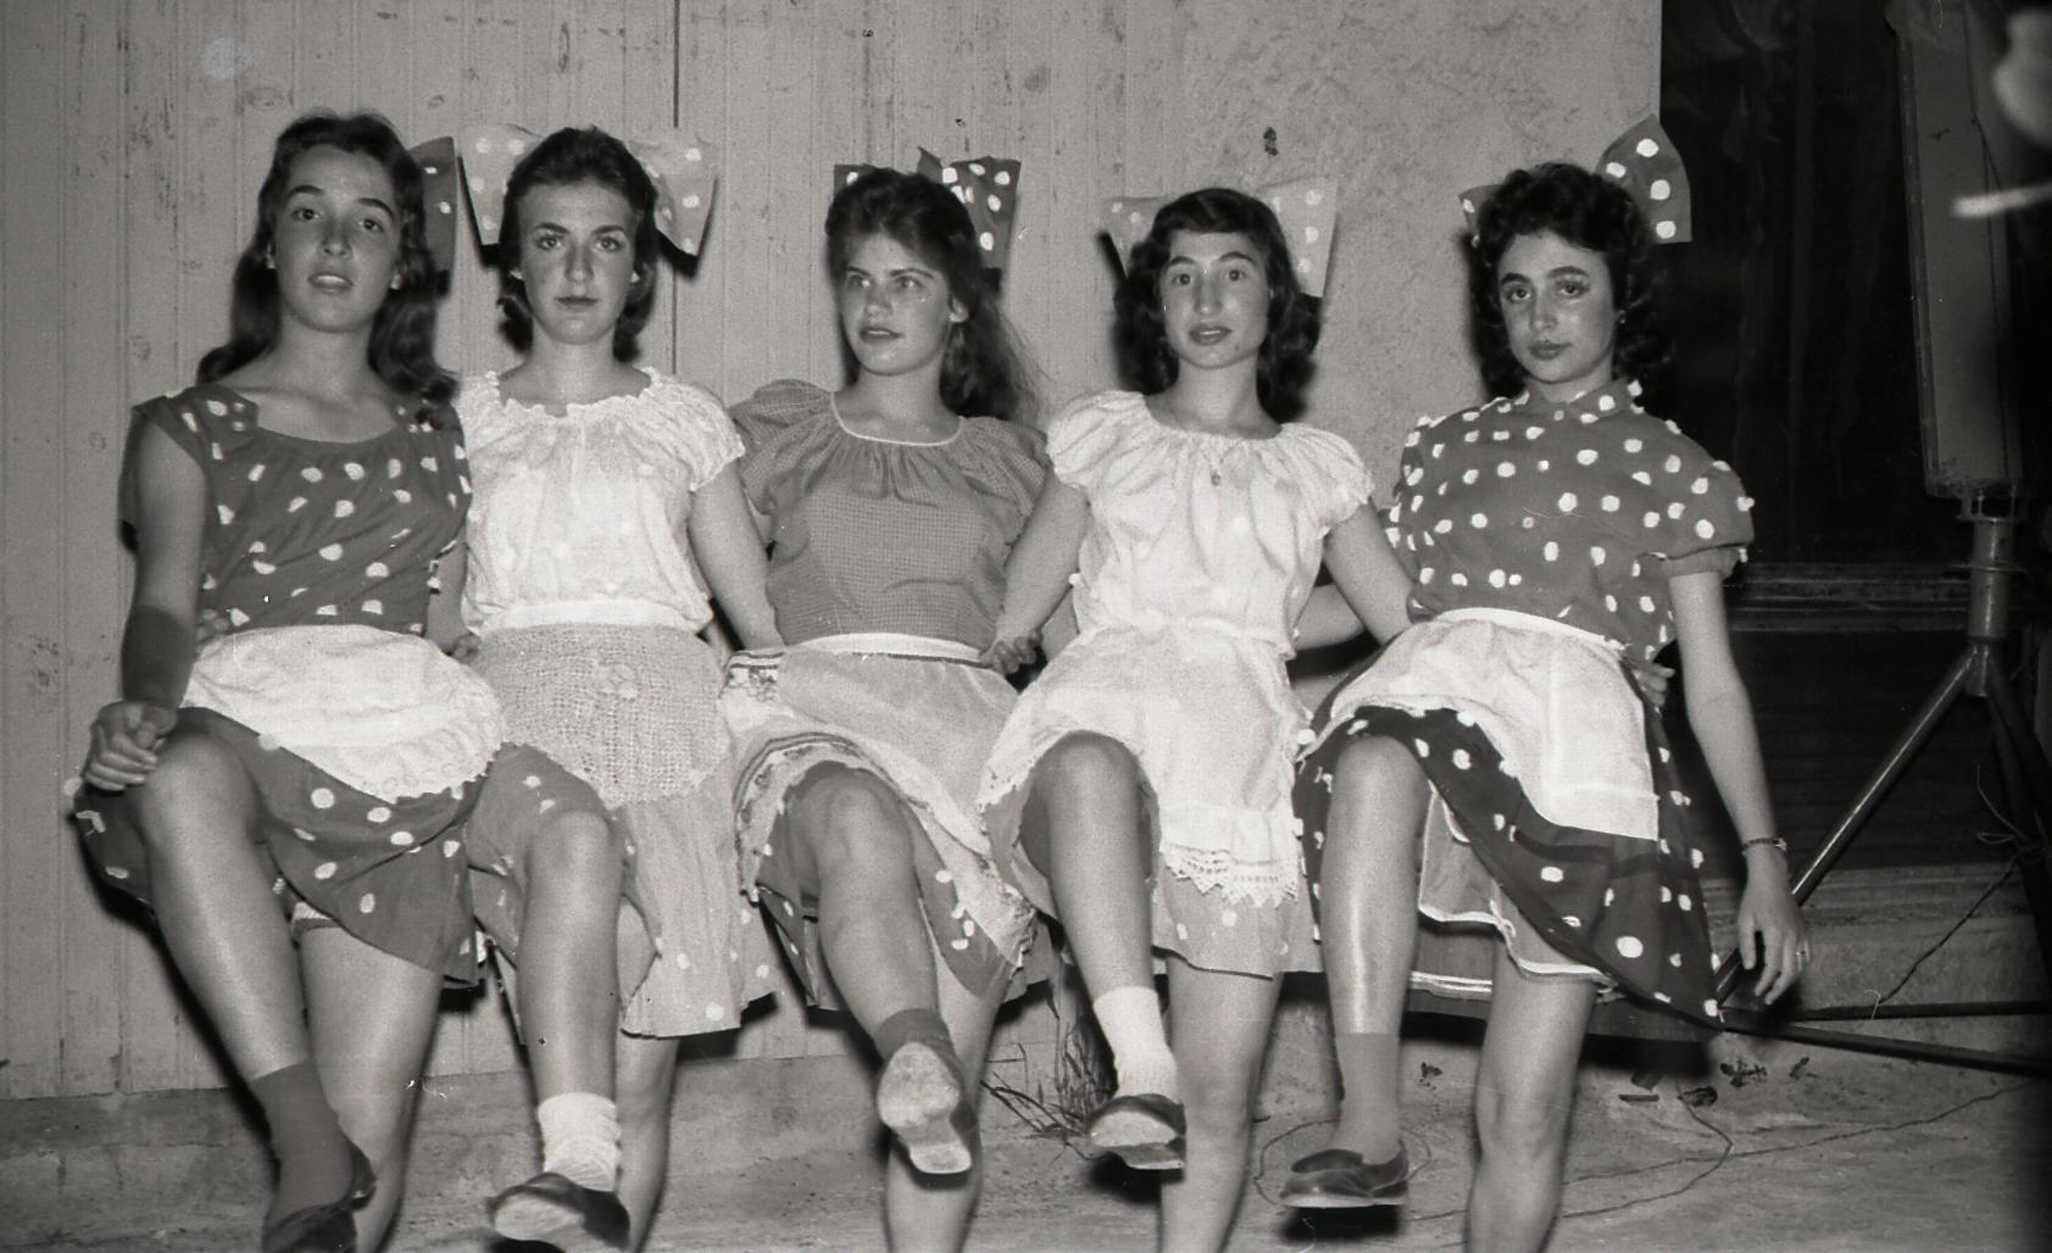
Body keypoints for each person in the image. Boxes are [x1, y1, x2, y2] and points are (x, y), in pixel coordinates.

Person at [68, 111, 609, 1253]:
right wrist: (146, 702)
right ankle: (298, 1123)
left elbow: (452, 617)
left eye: (368, 223)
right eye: (308, 213)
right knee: (175, 775)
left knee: (360, 1164)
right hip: (249, 729)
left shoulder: (437, 431)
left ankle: (327, 1158)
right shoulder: (190, 428)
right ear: (269, 241)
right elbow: (162, 603)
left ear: (402, 260)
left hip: (390, 756)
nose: (333, 243)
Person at [1282, 128, 1808, 1252]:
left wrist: (1764, 859)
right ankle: (1368, 1117)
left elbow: (1712, 684)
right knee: (1371, 755)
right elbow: (1377, 603)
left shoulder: (1672, 469)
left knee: (1519, 1110)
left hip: (1579, 753)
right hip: (1446, 692)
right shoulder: (1445, 448)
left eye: (1571, 285)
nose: (1541, 315)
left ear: (1624, 297)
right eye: (1517, 290)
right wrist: (1203, 626)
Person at [974, 185, 1412, 1251]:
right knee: (1088, 762)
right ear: (1154, 304)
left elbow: (1398, 617)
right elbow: (1022, 607)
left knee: (1222, 1093)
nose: (1207, 299)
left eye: (1234, 273)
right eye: (1182, 275)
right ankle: (1139, 1063)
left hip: (1238, 771)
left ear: (1277, 300)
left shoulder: (1319, 465)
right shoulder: (1104, 434)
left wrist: (1259, 631)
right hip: (1101, 740)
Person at [449, 125, 781, 1250]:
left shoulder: (683, 419)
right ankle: (572, 1162)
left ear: (641, 267)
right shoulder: (463, 420)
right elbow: (435, 608)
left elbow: (756, 617)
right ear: (513, 263)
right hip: (520, 723)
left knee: (641, 1071)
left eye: (606, 242)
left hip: (670, 729)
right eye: (551, 240)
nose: (579, 268)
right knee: (576, 1022)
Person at [719, 159, 1044, 1251]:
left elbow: (1101, 612)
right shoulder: (782, 429)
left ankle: (923, 1067)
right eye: (858, 279)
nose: (876, 304)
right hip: (812, 710)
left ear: (958, 304)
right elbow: (657, 525)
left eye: (907, 282)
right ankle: (910, 1037)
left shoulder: (1013, 462)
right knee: (853, 813)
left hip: (965, 737)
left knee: (942, 1102)